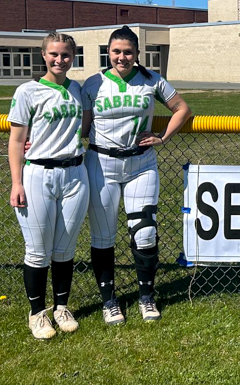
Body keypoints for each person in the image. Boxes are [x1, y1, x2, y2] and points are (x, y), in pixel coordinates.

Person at [81, 25, 191, 325]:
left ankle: (146, 296)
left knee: (145, 234)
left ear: (137, 54)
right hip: (101, 164)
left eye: (128, 51)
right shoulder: (93, 83)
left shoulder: (151, 80)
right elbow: (82, 128)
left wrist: (163, 137)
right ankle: (109, 301)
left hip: (141, 164)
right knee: (103, 236)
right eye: (116, 51)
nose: (122, 57)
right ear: (108, 52)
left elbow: (182, 108)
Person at [8, 33, 90, 339]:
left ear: (73, 57)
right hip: (38, 174)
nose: (59, 60)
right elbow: (16, 141)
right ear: (44, 55)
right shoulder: (28, 91)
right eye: (54, 54)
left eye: (66, 55)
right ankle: (37, 313)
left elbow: (84, 126)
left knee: (65, 248)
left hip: (74, 174)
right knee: (38, 250)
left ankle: (61, 307)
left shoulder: (77, 90)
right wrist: (16, 182)